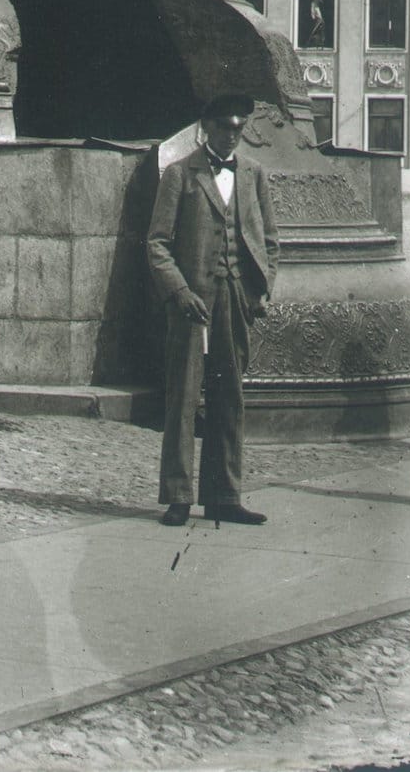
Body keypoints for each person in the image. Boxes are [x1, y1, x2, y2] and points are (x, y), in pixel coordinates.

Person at [147, 92, 278, 526]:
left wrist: (262, 288)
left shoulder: (254, 175)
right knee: (183, 395)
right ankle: (179, 496)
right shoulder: (180, 174)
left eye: (239, 128)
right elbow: (158, 245)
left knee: (230, 396)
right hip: (192, 302)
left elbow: (270, 241)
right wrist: (181, 293)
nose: (232, 135)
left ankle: (225, 495)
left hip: (236, 298)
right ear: (207, 128)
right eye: (225, 127)